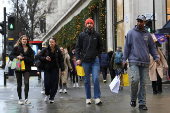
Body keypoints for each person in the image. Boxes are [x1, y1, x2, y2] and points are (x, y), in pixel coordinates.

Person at [122, 15, 160, 110]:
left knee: (143, 83)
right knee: (135, 80)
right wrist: (124, 59)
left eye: (141, 21)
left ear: (144, 22)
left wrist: (156, 57)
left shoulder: (148, 34)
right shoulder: (131, 33)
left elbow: (152, 47)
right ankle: (133, 98)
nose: (139, 23)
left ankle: (142, 103)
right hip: (134, 60)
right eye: (138, 21)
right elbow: (126, 47)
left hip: (145, 62)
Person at [75, 18, 103, 105]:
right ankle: (88, 98)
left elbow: (100, 46)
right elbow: (77, 47)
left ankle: (97, 97)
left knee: (95, 78)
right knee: (86, 80)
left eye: (91, 23)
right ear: (85, 25)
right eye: (88, 23)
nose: (89, 24)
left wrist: (98, 55)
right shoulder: (82, 35)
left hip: (95, 60)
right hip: (85, 61)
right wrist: (78, 58)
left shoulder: (97, 35)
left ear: (93, 25)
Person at [9, 35, 34, 105]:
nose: (24, 40)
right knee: (19, 83)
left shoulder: (30, 49)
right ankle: (20, 99)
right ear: (20, 40)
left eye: (26, 39)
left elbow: (32, 60)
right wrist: (17, 57)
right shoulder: (16, 48)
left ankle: (26, 99)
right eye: (23, 39)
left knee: (26, 82)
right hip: (18, 67)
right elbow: (11, 56)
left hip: (26, 68)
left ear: (27, 41)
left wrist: (24, 58)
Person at [39, 37, 65, 103]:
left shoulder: (58, 50)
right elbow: (39, 57)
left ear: (55, 43)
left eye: (52, 42)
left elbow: (61, 61)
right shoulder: (45, 49)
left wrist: (63, 70)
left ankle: (52, 97)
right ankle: (47, 94)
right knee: (47, 83)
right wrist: (45, 58)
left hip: (55, 69)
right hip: (47, 69)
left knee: (54, 83)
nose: (51, 43)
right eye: (50, 42)